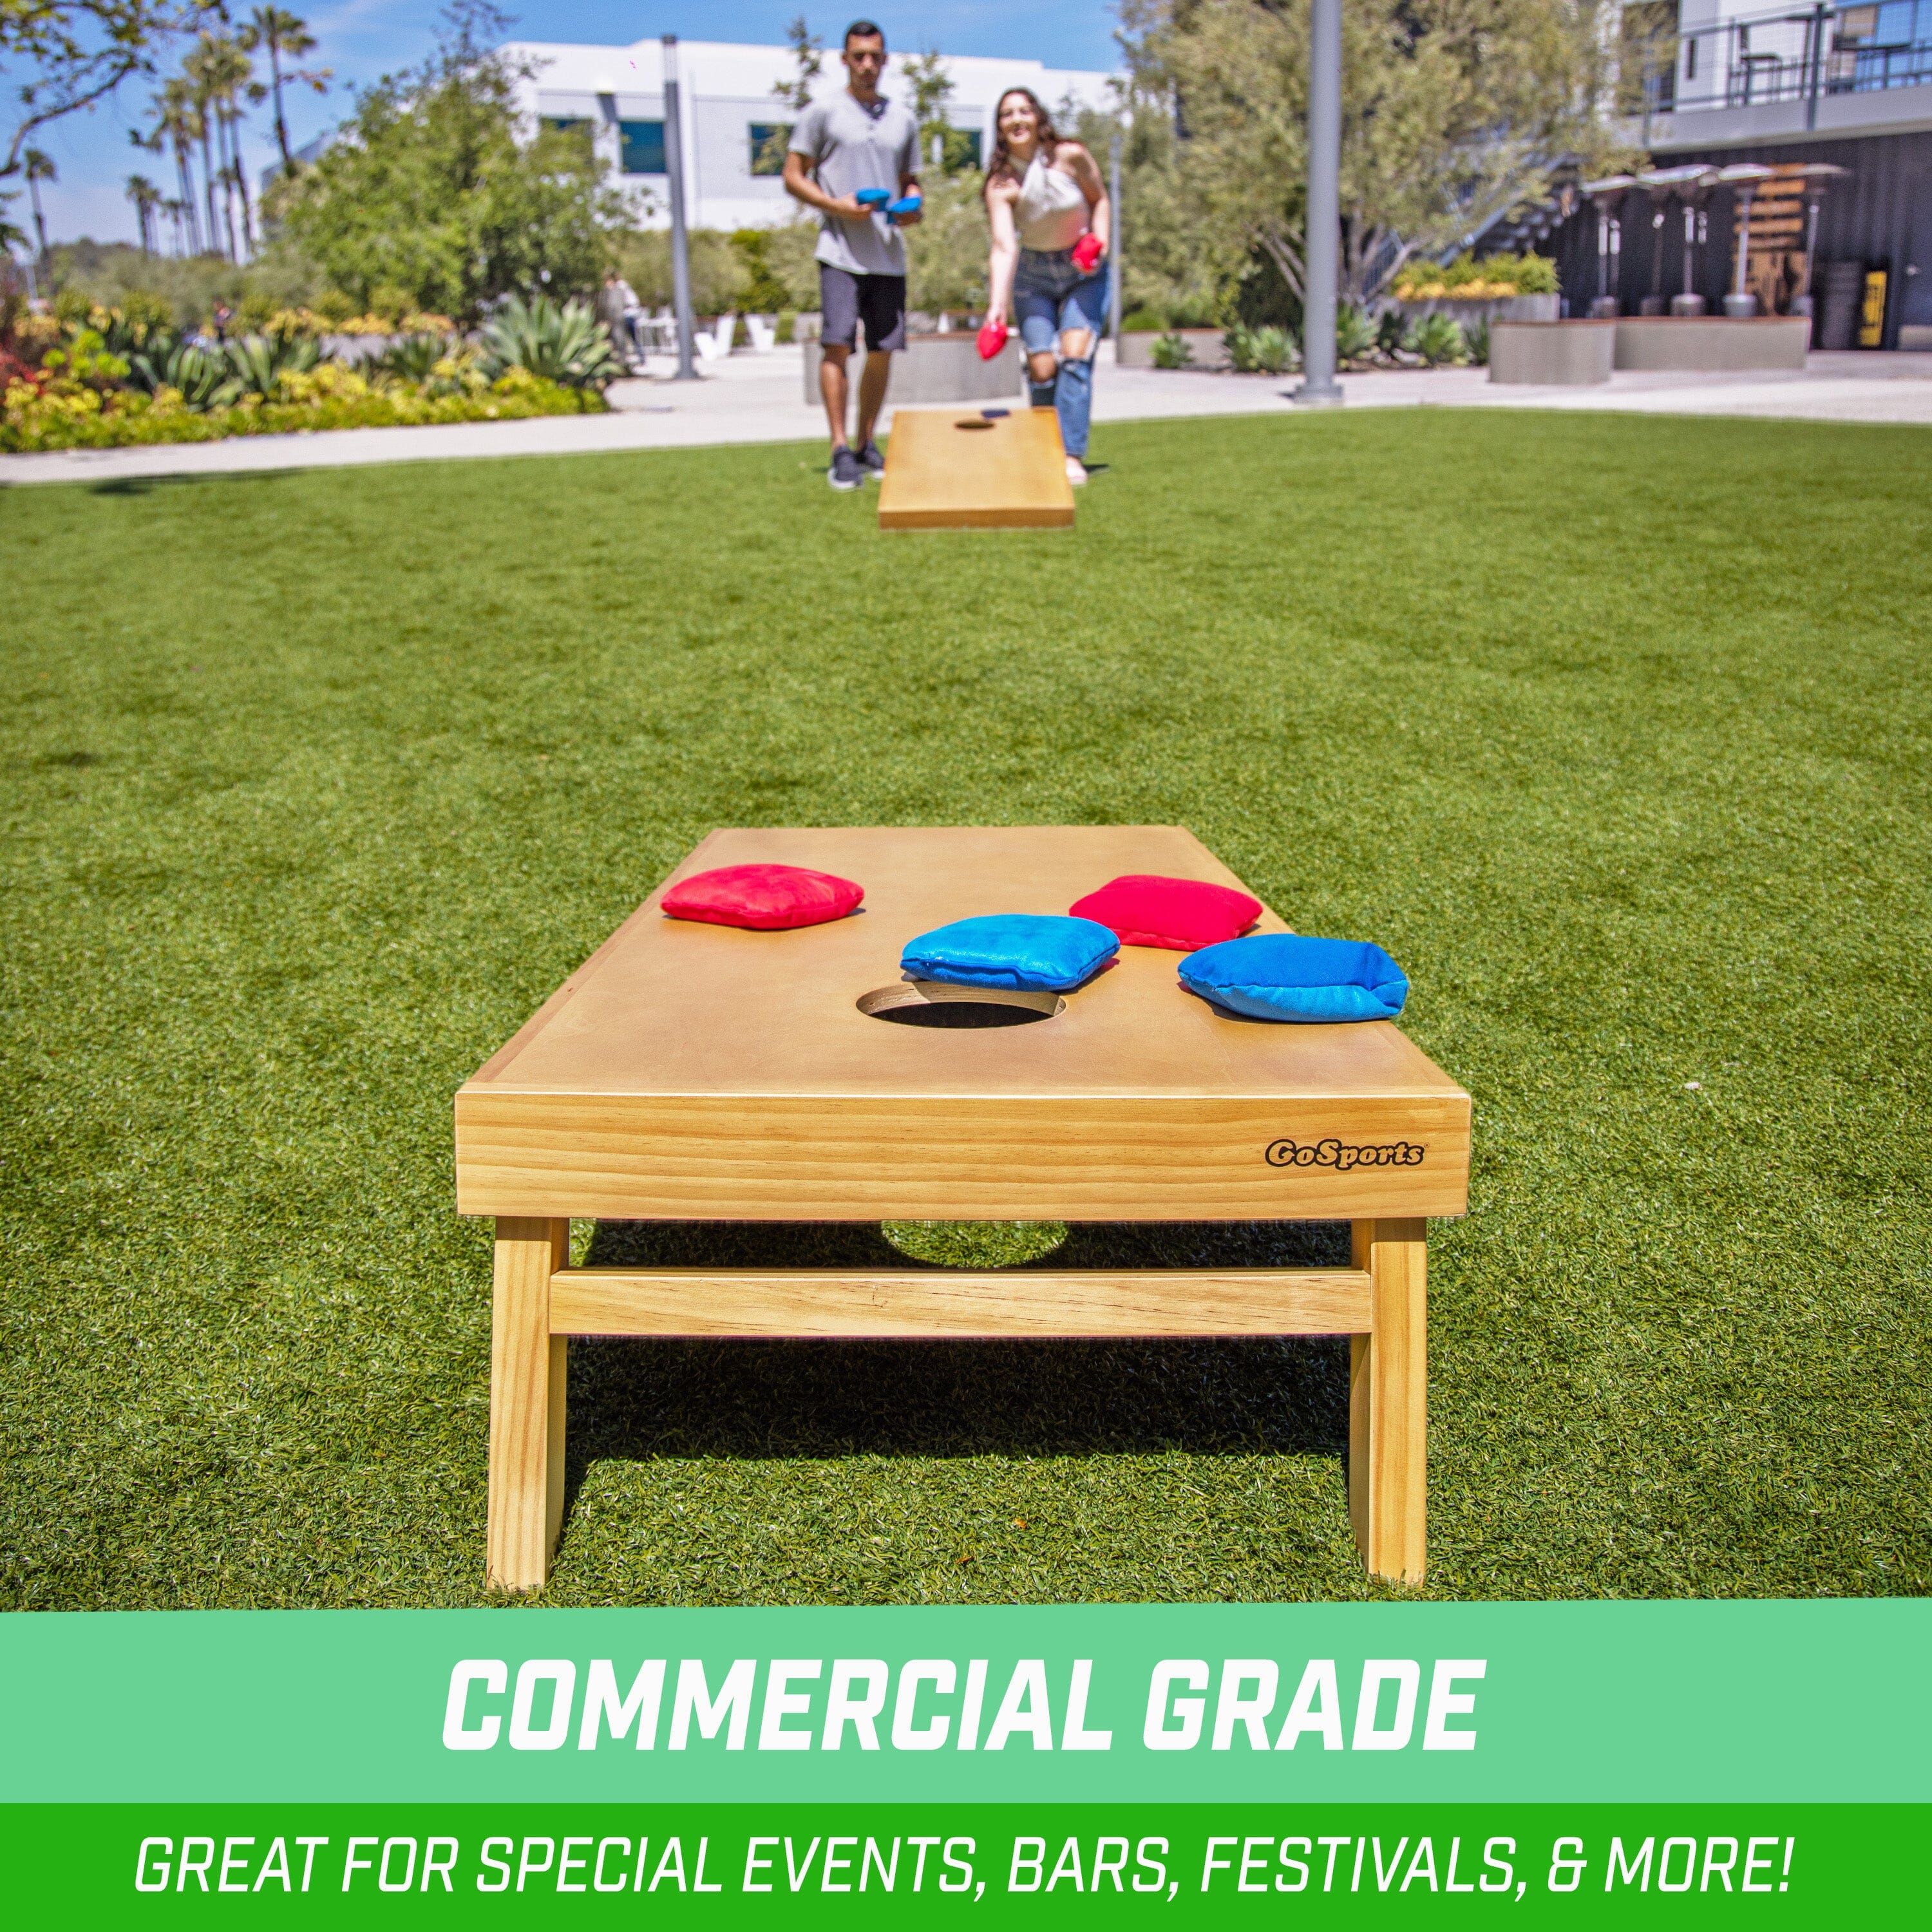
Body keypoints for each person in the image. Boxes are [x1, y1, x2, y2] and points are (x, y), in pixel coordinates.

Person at [782, 20, 922, 490]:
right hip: (839, 251)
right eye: (858, 56)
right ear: (844, 59)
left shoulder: (904, 119)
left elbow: (912, 181)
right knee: (837, 346)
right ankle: (840, 448)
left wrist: (913, 207)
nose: (867, 65)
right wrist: (836, 205)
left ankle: (866, 443)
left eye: (875, 57)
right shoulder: (823, 112)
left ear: (885, 61)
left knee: (883, 352)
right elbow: (793, 175)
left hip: (888, 255)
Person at [978, 89, 1110, 486]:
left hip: (1081, 268)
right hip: (1032, 275)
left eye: (1024, 111)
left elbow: (1100, 199)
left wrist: (1098, 243)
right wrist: (995, 308)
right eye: (1007, 115)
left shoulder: (1069, 156)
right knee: (1042, 366)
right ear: (1000, 127)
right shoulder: (1000, 184)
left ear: (1038, 117)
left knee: (1074, 355)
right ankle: (1042, 448)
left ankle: (1070, 455)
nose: (1017, 120)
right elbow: (1004, 247)